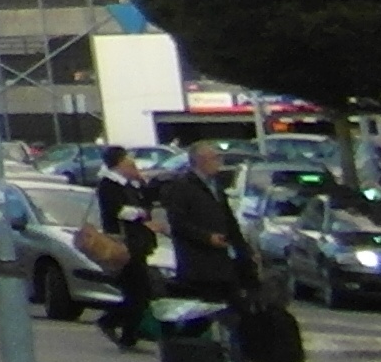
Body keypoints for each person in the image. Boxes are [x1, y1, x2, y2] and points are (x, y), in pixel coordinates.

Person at [154, 138, 257, 307]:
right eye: (215, 158)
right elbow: (178, 223)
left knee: (235, 306)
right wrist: (206, 238)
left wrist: (244, 249)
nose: (220, 163)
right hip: (198, 265)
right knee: (205, 310)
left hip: (222, 263)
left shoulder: (215, 185)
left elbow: (228, 220)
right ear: (201, 161)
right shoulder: (182, 187)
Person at [90, 145, 162, 349]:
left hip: (137, 244)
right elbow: (119, 212)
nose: (132, 164)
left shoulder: (130, 184)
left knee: (139, 292)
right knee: (138, 291)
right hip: (123, 244)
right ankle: (115, 325)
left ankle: (127, 332)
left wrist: (140, 181)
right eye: (128, 161)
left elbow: (147, 202)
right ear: (119, 163)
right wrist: (140, 213)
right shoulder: (109, 185)